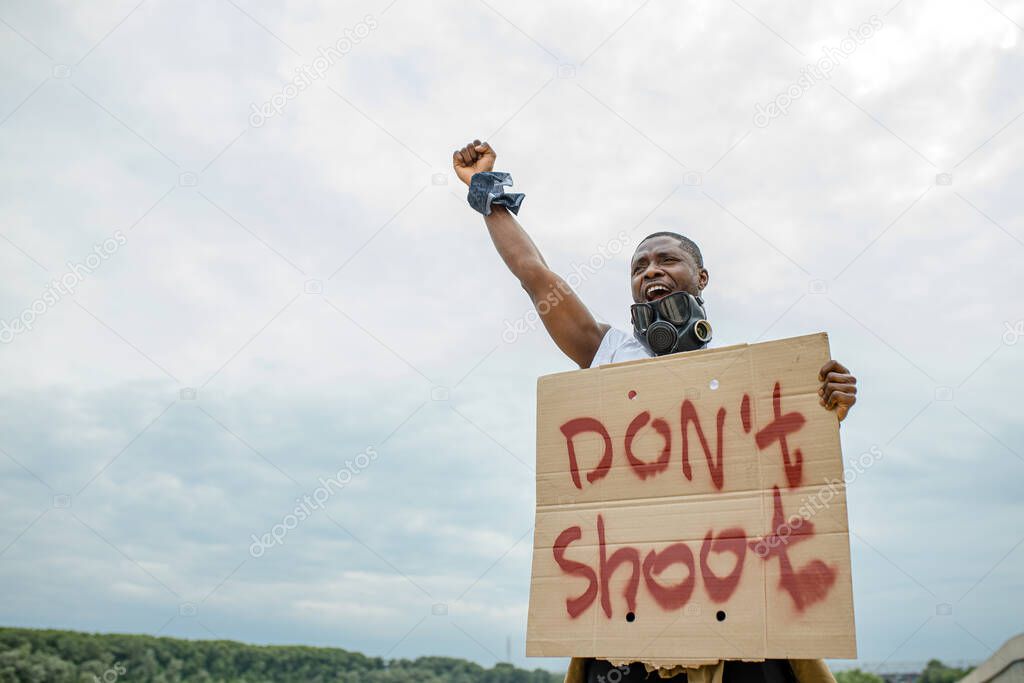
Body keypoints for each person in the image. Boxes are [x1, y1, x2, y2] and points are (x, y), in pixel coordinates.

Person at [452, 139, 858, 683]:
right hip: (627, 630)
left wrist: (826, 401)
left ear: (702, 278)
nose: (651, 271)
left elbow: (789, 468)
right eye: (640, 265)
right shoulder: (608, 351)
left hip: (739, 627)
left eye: (668, 259)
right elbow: (536, 275)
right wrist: (487, 190)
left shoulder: (754, 379)